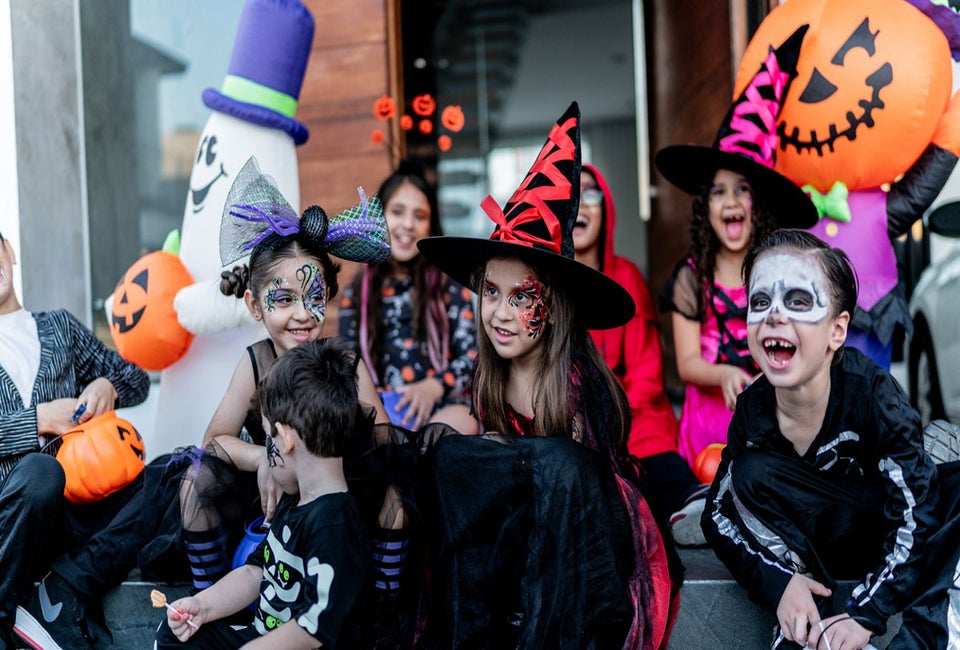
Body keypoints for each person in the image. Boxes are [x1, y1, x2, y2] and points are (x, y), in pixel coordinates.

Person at [416, 102, 677, 650]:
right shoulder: (489, 377)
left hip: (588, 547)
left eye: (521, 297)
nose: (501, 313)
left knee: (558, 463)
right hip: (521, 540)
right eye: (490, 292)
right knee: (444, 454)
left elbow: (581, 506)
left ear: (554, 307)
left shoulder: (581, 386)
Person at [701, 229, 960, 649]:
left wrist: (867, 614)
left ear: (837, 331)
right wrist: (779, 582)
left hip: (887, 533)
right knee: (746, 475)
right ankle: (803, 632)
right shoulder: (753, 411)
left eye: (798, 301)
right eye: (760, 302)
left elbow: (918, 505)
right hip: (813, 549)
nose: (774, 316)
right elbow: (718, 512)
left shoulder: (873, 393)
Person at [163, 157, 390, 597]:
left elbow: (384, 440)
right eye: (283, 300)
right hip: (267, 509)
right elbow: (214, 439)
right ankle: (210, 605)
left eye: (314, 297)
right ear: (254, 305)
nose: (303, 316)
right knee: (196, 481)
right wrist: (264, 458)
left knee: (397, 496)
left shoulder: (343, 361)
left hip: (337, 506)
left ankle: (382, 616)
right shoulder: (257, 363)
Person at [656, 25, 818, 468]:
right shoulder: (692, 277)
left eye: (742, 190)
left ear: (757, 205)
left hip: (776, 408)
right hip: (713, 417)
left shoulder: (780, 270)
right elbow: (688, 362)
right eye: (718, 192)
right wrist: (726, 372)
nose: (730, 201)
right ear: (705, 208)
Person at [156, 337, 370, 649]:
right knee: (173, 636)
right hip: (260, 636)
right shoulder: (293, 499)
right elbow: (255, 573)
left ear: (284, 439)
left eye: (267, 436)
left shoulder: (335, 526)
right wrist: (203, 606)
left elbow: (313, 632)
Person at [0, 231, 151, 649]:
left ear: (9, 249)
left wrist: (107, 385)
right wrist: (38, 420)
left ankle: (61, 592)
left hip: (73, 512)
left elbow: (136, 378)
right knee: (40, 472)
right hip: (10, 520)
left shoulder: (59, 327)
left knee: (167, 475)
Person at [575, 163, 704, 542]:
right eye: (571, 194)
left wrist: (611, 416)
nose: (580, 203)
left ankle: (691, 512)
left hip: (631, 413)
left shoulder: (626, 276)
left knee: (657, 460)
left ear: (606, 210)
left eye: (590, 193)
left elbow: (647, 372)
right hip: (569, 419)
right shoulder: (546, 283)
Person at [339, 161, 478, 436]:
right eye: (397, 212)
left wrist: (433, 387)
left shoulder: (447, 284)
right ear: (379, 218)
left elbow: (473, 357)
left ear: (431, 224)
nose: (407, 224)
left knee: (463, 423)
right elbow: (348, 362)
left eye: (420, 215)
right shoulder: (356, 291)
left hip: (441, 404)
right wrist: (378, 404)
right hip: (379, 407)